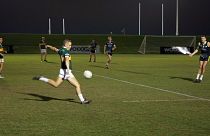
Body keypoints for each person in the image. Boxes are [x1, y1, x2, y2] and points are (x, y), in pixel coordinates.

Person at [33, 39, 90, 104]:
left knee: (56, 84)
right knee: (77, 85)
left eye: (71, 45)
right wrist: (68, 69)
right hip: (66, 72)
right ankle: (82, 100)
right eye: (69, 45)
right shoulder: (66, 52)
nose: (70, 46)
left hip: (63, 71)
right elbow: (66, 60)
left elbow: (55, 49)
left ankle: (41, 78)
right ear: (66, 44)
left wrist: (49, 46)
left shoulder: (61, 50)